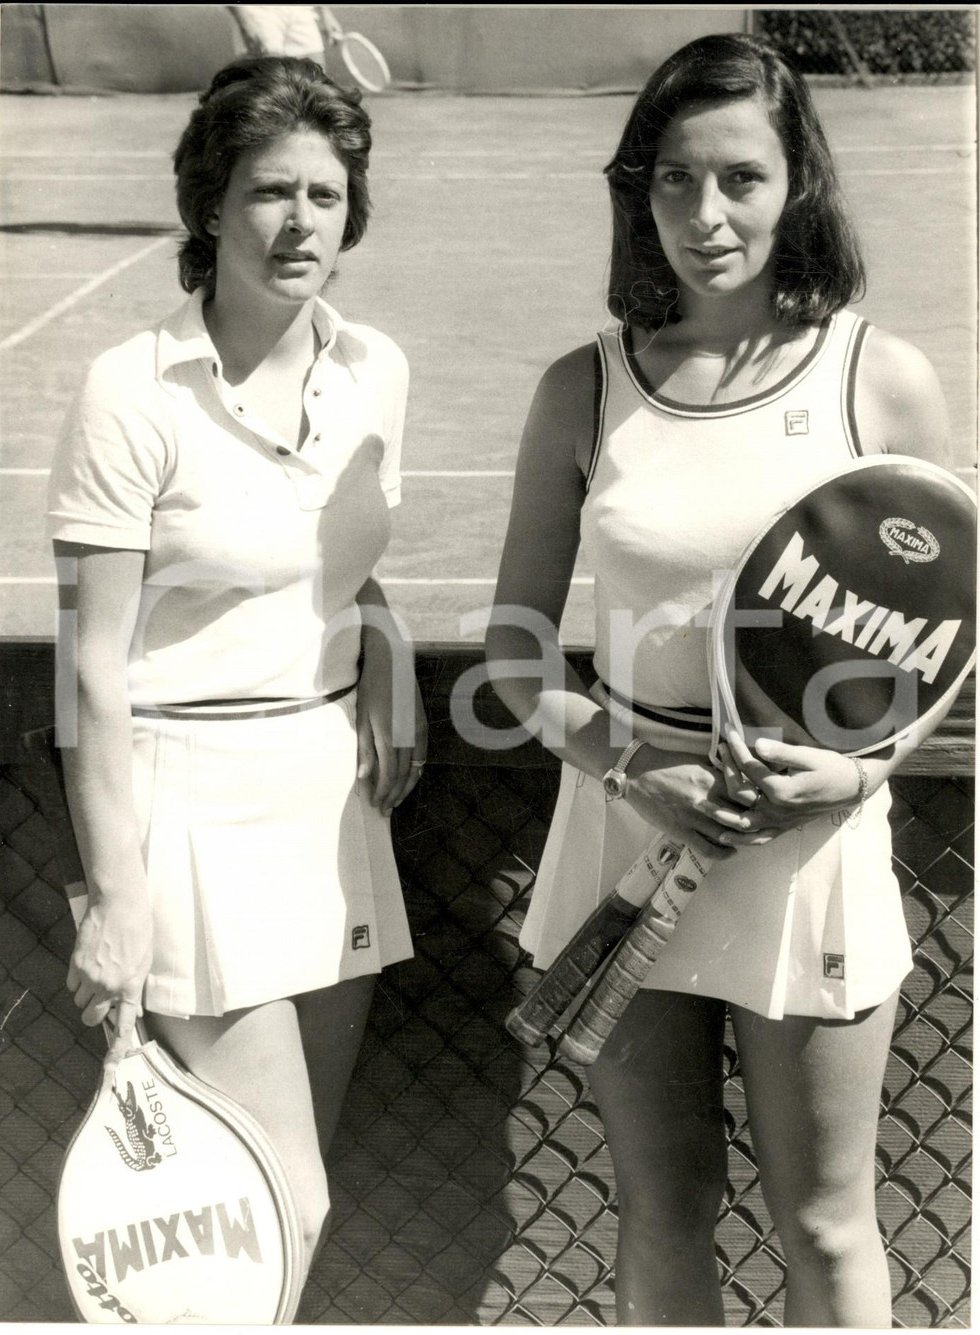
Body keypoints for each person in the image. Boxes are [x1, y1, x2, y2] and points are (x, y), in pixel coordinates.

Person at [486, 32, 953, 1328]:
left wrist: (858, 767)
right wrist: (639, 767)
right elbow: (516, 653)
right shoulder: (581, 389)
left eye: (741, 178)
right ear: (639, 191)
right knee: (664, 1205)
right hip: (630, 828)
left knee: (824, 1215)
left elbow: (948, 637)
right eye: (676, 180)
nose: (707, 215)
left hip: (806, 843)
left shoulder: (883, 379)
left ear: (799, 181)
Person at [47, 55, 426, 1282]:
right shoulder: (128, 391)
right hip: (190, 815)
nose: (299, 221)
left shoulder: (376, 373)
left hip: (326, 803)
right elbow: (92, 664)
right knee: (268, 1216)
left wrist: (379, 625)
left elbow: (319, 556)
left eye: (325, 194)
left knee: (283, 1207)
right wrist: (117, 897)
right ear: (210, 205)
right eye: (270, 191)